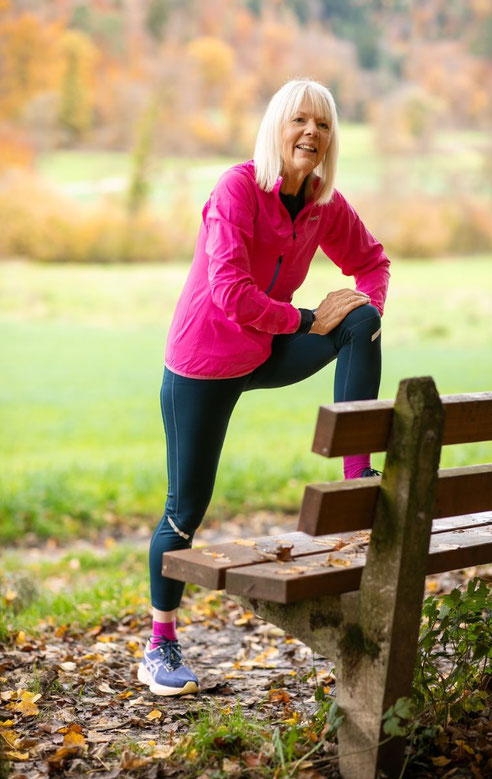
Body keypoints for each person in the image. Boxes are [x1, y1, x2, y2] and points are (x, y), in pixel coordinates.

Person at [138, 79, 390, 696]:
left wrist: (362, 303)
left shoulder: (323, 203)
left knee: (359, 318)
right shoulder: (236, 189)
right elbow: (228, 292)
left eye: (324, 125)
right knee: (184, 509)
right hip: (204, 359)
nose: (311, 134)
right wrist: (307, 317)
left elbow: (373, 263)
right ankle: (160, 646)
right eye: (299, 120)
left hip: (266, 345)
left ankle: (357, 477)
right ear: (277, 127)